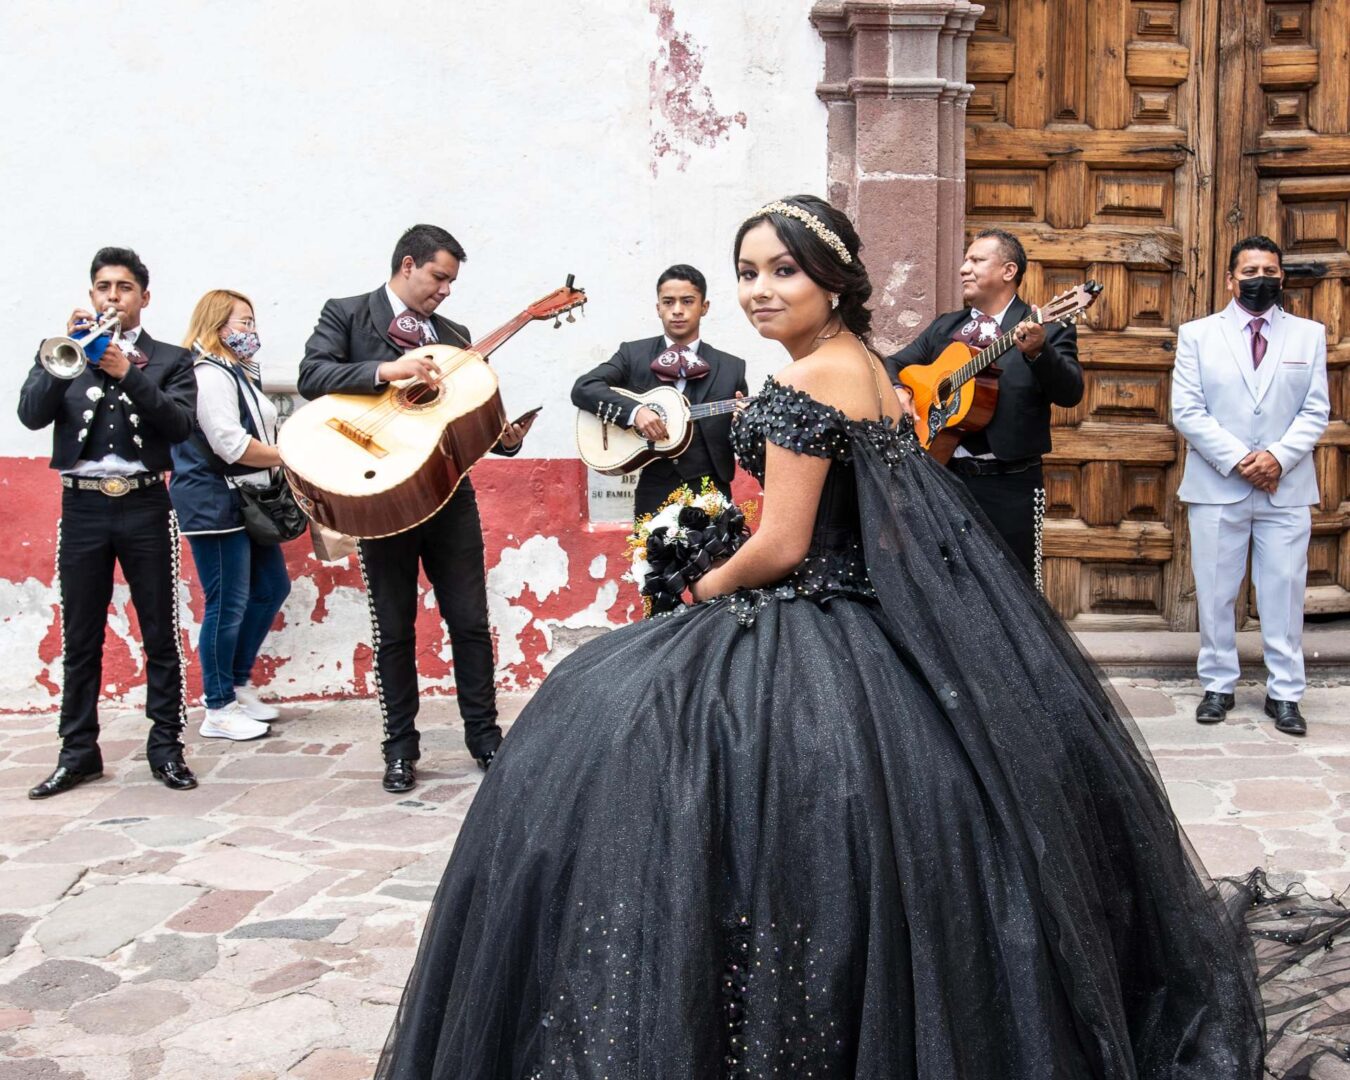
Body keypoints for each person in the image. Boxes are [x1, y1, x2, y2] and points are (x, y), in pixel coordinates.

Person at [375, 197, 1343, 1078]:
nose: (760, 290)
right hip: (868, 617)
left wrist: (700, 579)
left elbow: (783, 543)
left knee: (616, 732)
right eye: (747, 271)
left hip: (809, 609)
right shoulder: (868, 370)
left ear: (834, 279)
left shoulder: (805, 383)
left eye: (782, 271)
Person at [297, 224, 535, 793]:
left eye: (452, 281)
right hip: (380, 497)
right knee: (395, 630)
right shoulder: (348, 314)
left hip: (450, 497)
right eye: (439, 277)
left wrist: (498, 438)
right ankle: (400, 749)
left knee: (471, 624)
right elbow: (312, 376)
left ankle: (485, 738)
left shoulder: (456, 337)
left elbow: (451, 426)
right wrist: (387, 371)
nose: (446, 291)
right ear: (408, 264)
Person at [18, 247, 199, 798]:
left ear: (144, 298)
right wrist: (60, 360)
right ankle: (78, 753)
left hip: (145, 503)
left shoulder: (170, 358)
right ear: (91, 293)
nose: (112, 296)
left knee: (159, 631)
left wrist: (129, 372)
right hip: (83, 506)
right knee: (81, 636)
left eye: (123, 288)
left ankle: (166, 747)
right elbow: (30, 414)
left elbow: (179, 425)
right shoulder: (62, 354)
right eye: (103, 287)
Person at [1172, 236, 1330, 735]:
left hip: (1286, 486)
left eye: (1269, 270)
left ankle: (1285, 693)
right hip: (1218, 484)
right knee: (1216, 591)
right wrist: (1241, 458)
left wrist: (1277, 458)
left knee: (1283, 592)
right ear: (1230, 279)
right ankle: (1218, 684)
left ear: (1281, 277)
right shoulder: (1197, 334)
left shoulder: (1309, 335)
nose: (1260, 278)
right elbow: (1187, 410)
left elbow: (1316, 409)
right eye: (1250, 270)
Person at [884, 229, 1083, 579]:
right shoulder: (947, 326)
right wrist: (900, 389)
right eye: (964, 260)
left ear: (1008, 271)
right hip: (942, 477)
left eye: (976, 260)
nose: (964, 268)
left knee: (1015, 589)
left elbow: (1070, 394)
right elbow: (892, 364)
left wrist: (1039, 351)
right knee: (946, 583)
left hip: (1010, 485)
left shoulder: (1047, 329)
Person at [169, 290, 293, 742]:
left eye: (253, 323)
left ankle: (237, 684)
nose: (251, 332)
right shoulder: (208, 373)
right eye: (243, 323)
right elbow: (230, 444)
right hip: (213, 502)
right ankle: (217, 706)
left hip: (244, 499)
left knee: (272, 587)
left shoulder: (235, 372)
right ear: (217, 324)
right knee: (227, 603)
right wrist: (290, 456)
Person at [571, 264, 748, 519]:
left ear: (704, 307)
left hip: (712, 488)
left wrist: (744, 424)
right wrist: (635, 412)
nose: (677, 310)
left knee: (720, 560)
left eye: (687, 301)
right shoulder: (633, 355)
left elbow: (743, 442)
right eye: (668, 302)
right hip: (655, 488)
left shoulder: (732, 367)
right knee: (650, 559)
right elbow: (584, 388)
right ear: (658, 308)